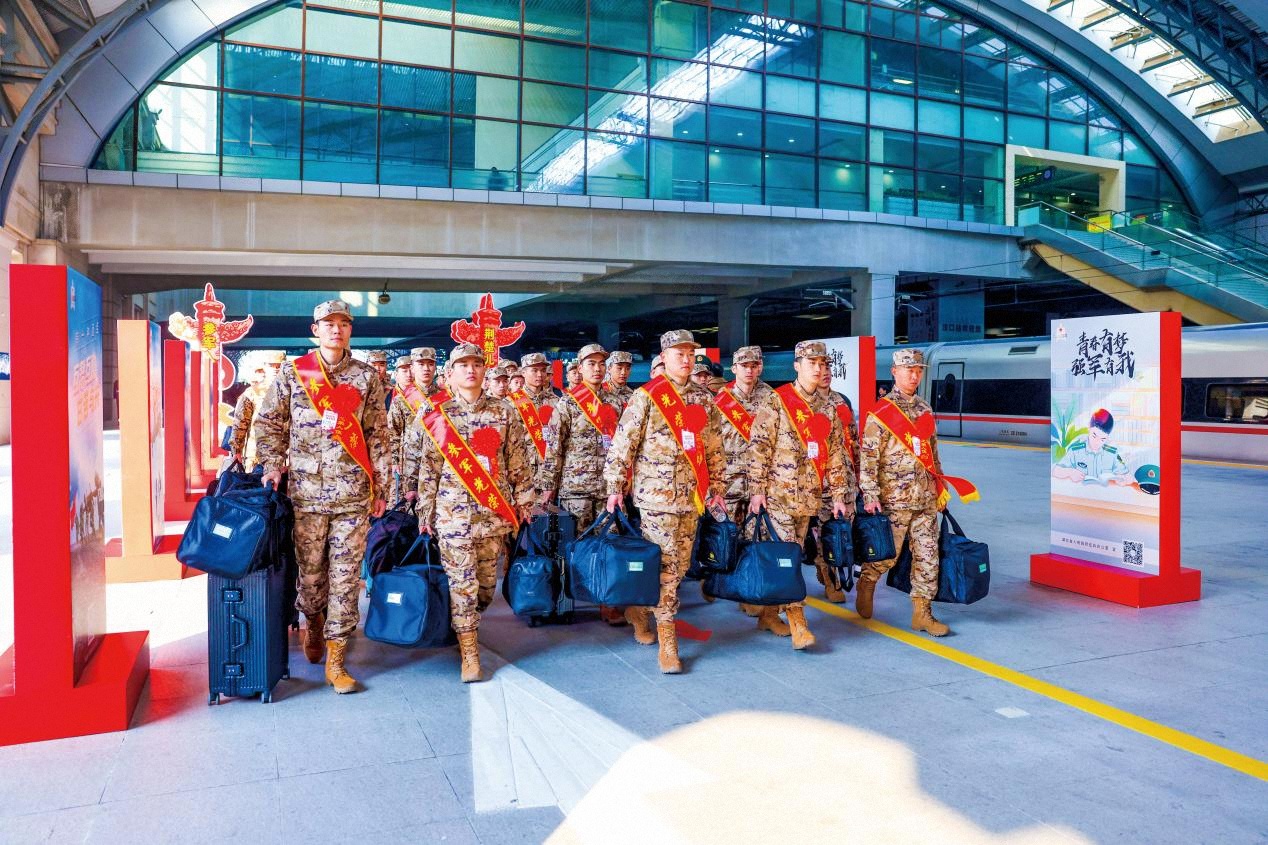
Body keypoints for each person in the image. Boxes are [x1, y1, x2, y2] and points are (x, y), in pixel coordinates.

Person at [254, 300, 390, 693]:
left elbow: (378, 435)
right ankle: (313, 622)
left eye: (344, 323)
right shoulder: (294, 373)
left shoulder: (366, 377)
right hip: (307, 495)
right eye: (328, 323)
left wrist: (381, 488)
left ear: (350, 330)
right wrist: (272, 464)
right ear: (315, 330)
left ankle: (337, 658)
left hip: (353, 495)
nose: (336, 329)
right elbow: (269, 422)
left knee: (346, 579)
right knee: (312, 577)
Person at [411, 343, 535, 682]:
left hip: (493, 514)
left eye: (476, 364)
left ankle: (466, 624)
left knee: (485, 587)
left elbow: (518, 460)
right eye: (463, 364)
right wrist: (425, 512)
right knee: (461, 584)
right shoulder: (438, 415)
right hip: (453, 515)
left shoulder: (504, 412)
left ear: (484, 370)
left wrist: (525, 501)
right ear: (450, 373)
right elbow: (429, 469)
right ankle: (469, 650)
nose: (470, 370)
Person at [604, 330, 726, 674]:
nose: (686, 360)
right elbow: (623, 444)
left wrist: (717, 486)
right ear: (664, 357)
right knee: (668, 569)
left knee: (680, 565)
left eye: (690, 354)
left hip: (691, 497)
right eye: (679, 354)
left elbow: (713, 446)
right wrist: (614, 487)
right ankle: (668, 641)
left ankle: (638, 610)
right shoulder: (647, 396)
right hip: (656, 497)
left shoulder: (703, 399)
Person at [747, 341, 852, 649]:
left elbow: (836, 454)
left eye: (823, 363)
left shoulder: (828, 407)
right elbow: (759, 447)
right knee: (789, 559)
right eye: (811, 363)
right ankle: (798, 624)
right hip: (777, 497)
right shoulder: (777, 401)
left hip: (809, 498)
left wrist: (838, 495)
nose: (818, 369)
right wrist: (756, 491)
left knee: (786, 557)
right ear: (797, 365)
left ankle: (768, 615)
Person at [856, 349, 961, 638]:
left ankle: (922, 613)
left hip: (925, 497)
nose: (914, 375)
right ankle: (867, 580)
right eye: (908, 369)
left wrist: (940, 484)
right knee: (887, 555)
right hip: (894, 499)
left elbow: (933, 453)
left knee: (928, 557)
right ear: (894, 372)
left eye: (918, 370)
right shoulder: (880, 413)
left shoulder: (925, 409)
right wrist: (870, 495)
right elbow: (869, 459)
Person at [538, 343, 625, 624]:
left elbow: (624, 445)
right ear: (579, 368)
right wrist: (548, 486)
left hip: (608, 488)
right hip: (576, 487)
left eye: (601, 363)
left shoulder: (616, 402)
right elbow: (554, 447)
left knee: (609, 543)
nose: (597, 369)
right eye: (591, 364)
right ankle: (571, 596)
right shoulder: (568, 403)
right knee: (577, 545)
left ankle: (607, 600)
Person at [813, 359, 860, 603]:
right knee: (825, 532)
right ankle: (830, 579)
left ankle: (832, 572)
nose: (826, 373)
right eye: (820, 369)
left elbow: (854, 440)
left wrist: (859, 475)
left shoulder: (842, 401)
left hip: (847, 481)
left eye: (829, 369)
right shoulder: (806, 404)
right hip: (820, 481)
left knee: (842, 533)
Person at [1052, 408, 1130, 485]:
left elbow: (1127, 475)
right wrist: (1070, 472)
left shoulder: (1112, 453)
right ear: (1089, 428)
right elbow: (1055, 470)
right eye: (1094, 436)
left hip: (1104, 492)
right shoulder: (1075, 451)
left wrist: (1124, 479)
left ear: (1107, 437)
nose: (1097, 442)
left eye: (1102, 439)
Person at [229, 364, 266, 466]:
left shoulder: (291, 390)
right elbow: (240, 422)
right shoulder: (252, 393)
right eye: (272, 366)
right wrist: (236, 450)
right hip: (256, 454)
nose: (276, 369)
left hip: (285, 456)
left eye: (278, 366)